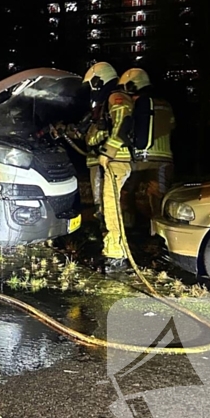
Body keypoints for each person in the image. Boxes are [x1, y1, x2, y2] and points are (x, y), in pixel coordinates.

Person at [82, 62, 133, 273]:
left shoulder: (115, 97)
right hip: (111, 161)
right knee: (107, 208)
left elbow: (123, 122)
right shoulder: (105, 103)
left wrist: (107, 152)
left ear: (98, 80)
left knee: (112, 210)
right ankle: (112, 250)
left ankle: (116, 256)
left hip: (116, 161)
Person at [120, 68, 175, 218]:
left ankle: (128, 224)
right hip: (164, 157)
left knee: (125, 191)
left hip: (138, 157)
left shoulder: (132, 104)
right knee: (159, 196)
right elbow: (172, 125)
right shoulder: (165, 104)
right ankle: (158, 231)